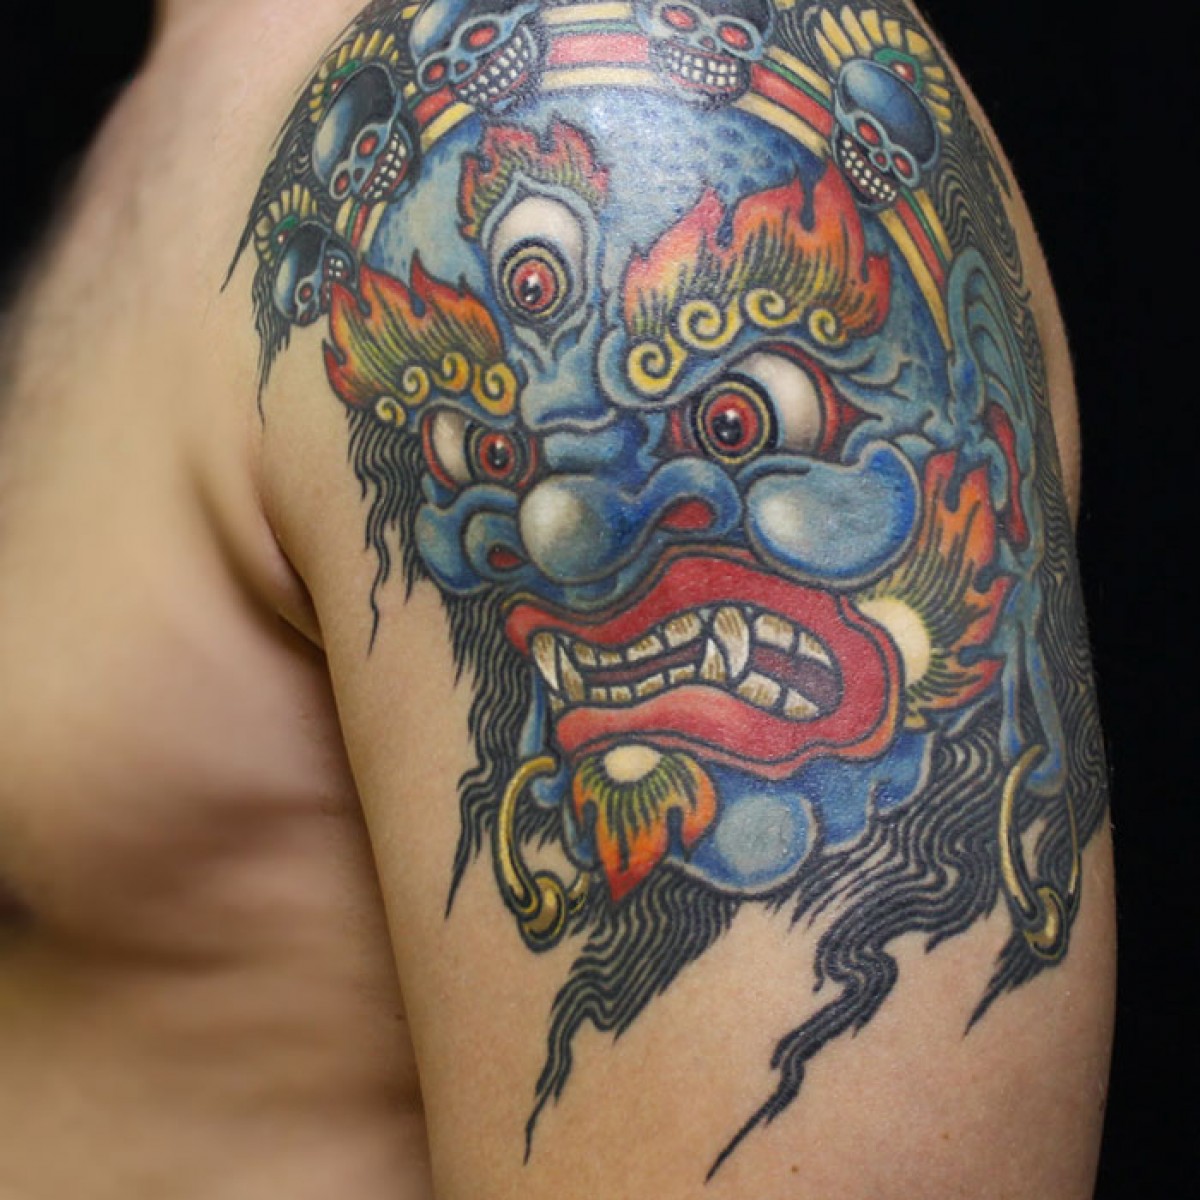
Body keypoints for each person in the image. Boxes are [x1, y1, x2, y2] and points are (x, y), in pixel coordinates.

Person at [0, 1, 1115, 1196]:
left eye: (731, 420)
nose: (549, 520)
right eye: (481, 451)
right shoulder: (177, 74)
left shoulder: (621, 98)